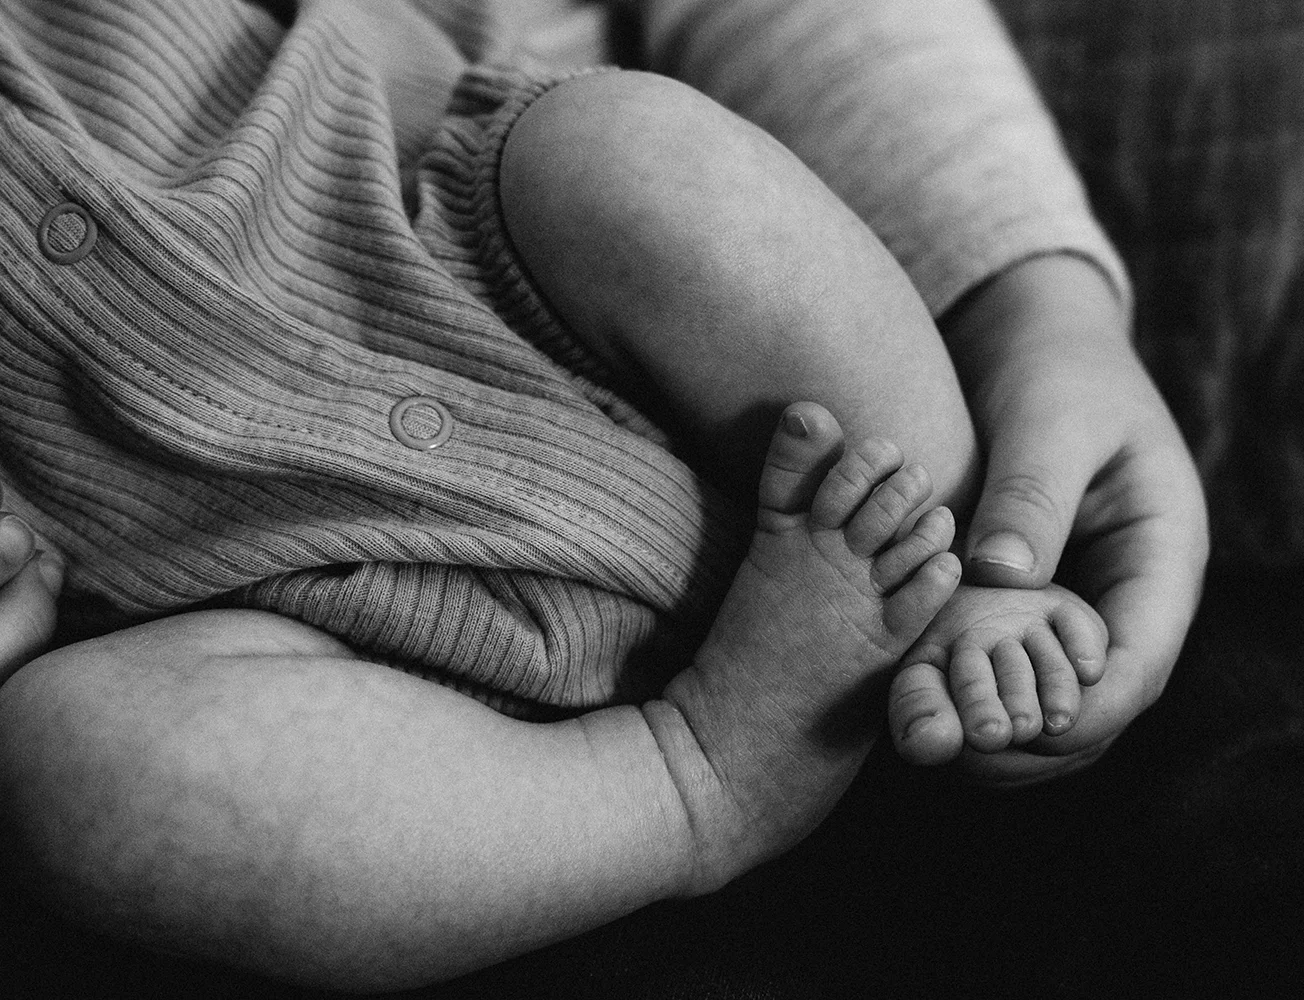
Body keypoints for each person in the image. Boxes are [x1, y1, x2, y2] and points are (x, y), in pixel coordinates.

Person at [0, 0, 1208, 990]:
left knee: (618, 148)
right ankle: (691, 780)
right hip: (275, 616)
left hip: (482, 259)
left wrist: (1041, 306)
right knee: (73, 774)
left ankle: (952, 560)